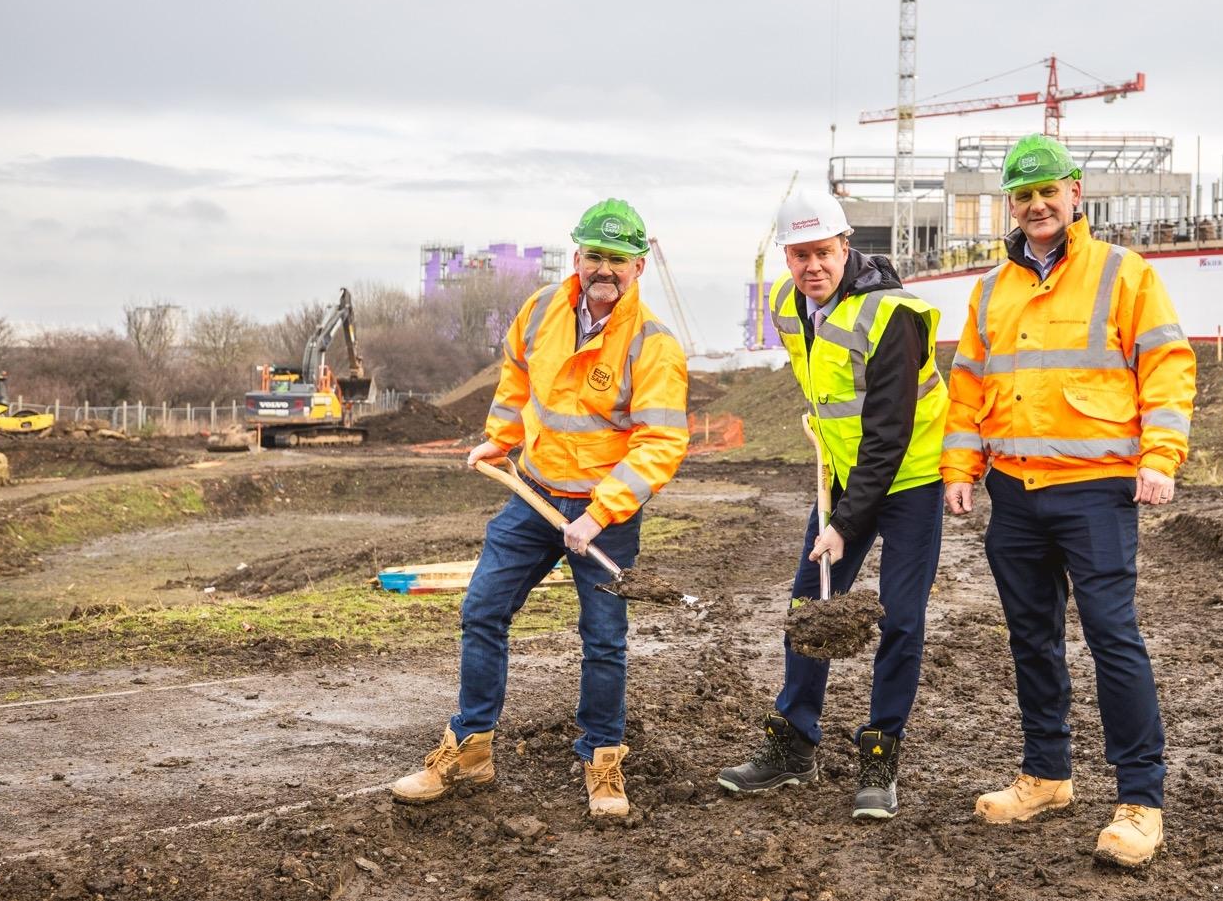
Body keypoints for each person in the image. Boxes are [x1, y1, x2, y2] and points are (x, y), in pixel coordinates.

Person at [941, 135, 1198, 868]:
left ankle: (1141, 801)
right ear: (1010, 206)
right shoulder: (991, 288)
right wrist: (961, 466)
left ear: (1075, 192)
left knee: (1113, 638)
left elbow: (1168, 367)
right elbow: (968, 387)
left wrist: (1161, 457)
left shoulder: (1124, 273)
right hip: (1014, 495)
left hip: (1095, 493)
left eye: (1048, 191)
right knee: (1031, 639)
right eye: (1023, 195)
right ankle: (1048, 774)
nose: (1037, 205)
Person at [392, 199, 689, 818]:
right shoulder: (541, 309)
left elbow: (660, 443)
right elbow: (517, 378)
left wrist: (600, 513)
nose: (604, 269)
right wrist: (500, 440)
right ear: (577, 255)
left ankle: (603, 756)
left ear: (639, 266)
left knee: (603, 638)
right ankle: (470, 748)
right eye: (594, 256)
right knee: (482, 609)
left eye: (618, 259)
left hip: (602, 511)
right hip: (535, 492)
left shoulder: (654, 345)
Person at [716, 191, 947, 820]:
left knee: (899, 616)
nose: (812, 265)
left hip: (911, 478)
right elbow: (827, 388)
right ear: (785, 257)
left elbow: (889, 432)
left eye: (823, 252)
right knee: (808, 606)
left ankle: (880, 753)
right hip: (844, 473)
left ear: (846, 247)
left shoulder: (892, 315)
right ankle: (794, 743)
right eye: (799, 254)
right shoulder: (788, 304)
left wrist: (843, 525)